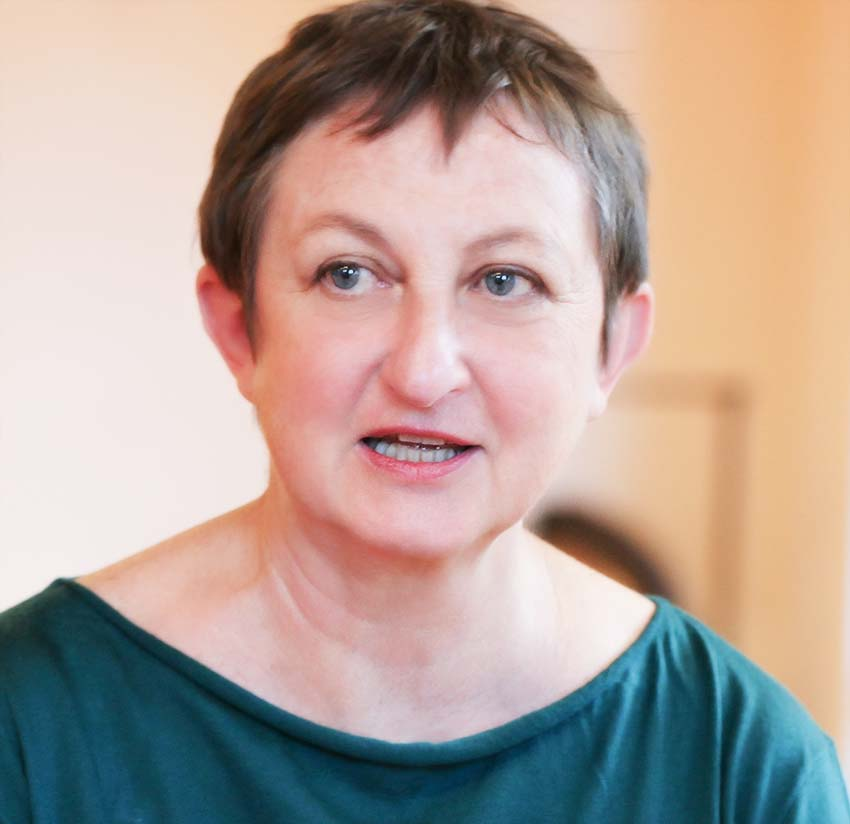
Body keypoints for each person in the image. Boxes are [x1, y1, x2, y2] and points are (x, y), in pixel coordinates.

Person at [1, 0, 847, 820]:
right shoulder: (28, 720)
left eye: (505, 281)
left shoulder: (742, 766)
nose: (424, 370)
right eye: (348, 274)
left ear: (613, 347)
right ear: (238, 328)